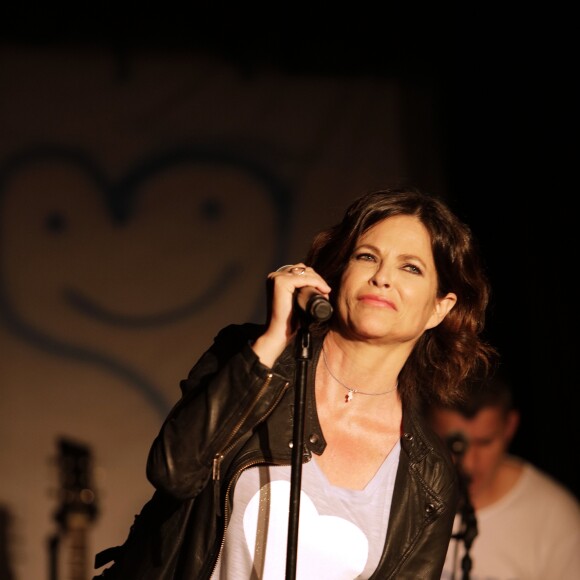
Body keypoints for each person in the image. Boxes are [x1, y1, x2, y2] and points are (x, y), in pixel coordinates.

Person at [93, 186, 497, 579]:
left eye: (411, 267)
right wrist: (272, 342)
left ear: (439, 309)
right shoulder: (247, 358)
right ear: (338, 274)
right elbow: (174, 471)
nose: (381, 277)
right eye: (366, 256)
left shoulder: (427, 477)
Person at [426, 370, 580, 580]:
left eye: (485, 442)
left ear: (510, 427)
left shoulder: (556, 519)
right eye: (454, 445)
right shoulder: (399, 498)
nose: (469, 464)